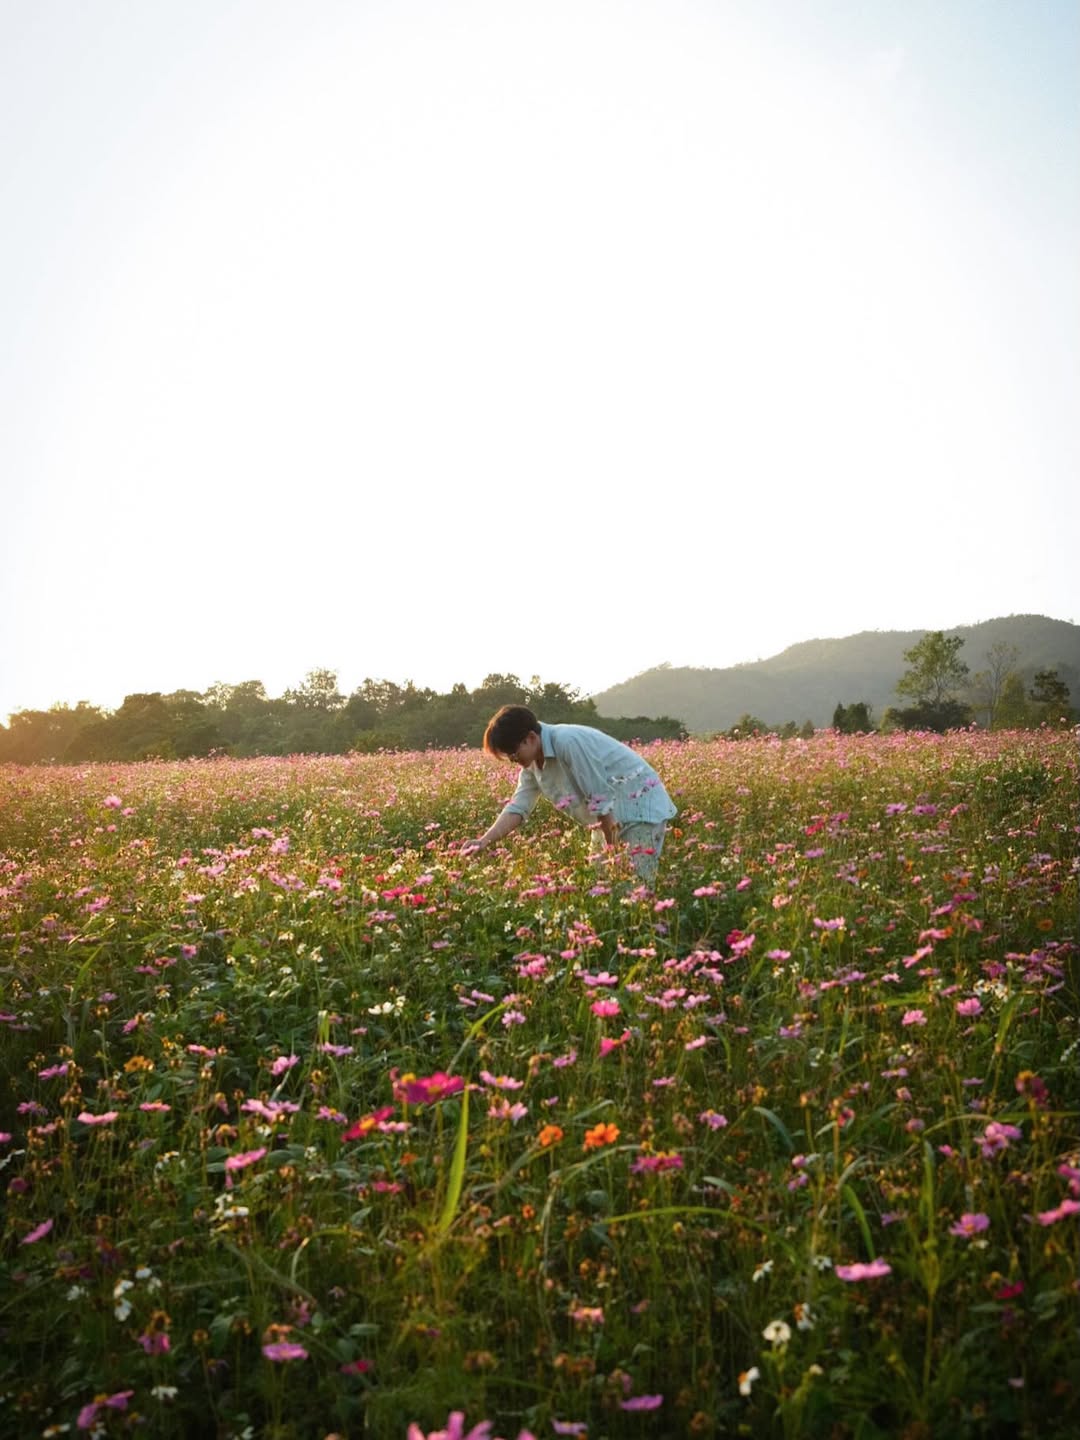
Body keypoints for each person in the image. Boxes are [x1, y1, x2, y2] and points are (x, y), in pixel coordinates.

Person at [459, 705, 677, 882]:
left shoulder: (567, 741)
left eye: (514, 754)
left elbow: (599, 798)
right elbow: (518, 806)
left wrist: (613, 850)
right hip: (605, 820)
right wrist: (484, 841)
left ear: (530, 738)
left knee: (633, 888)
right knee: (600, 887)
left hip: (638, 810)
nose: (513, 761)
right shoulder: (532, 764)